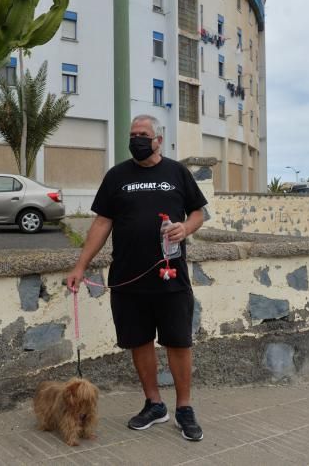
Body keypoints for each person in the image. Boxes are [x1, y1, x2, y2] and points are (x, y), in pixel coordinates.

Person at [66, 114, 207, 442]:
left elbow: (199, 211)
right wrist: (80, 266)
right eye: (132, 134)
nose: (137, 139)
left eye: (143, 134)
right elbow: (102, 223)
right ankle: (155, 404)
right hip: (128, 279)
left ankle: (184, 408)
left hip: (171, 277)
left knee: (178, 341)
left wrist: (186, 227)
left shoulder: (177, 173)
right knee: (138, 341)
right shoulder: (117, 176)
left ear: (158, 139)